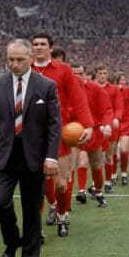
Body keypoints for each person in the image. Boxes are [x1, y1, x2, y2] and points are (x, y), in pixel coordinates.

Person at [0, 39, 61, 257]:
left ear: (30, 59)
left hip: (34, 158)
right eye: (10, 60)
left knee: (31, 209)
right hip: (4, 156)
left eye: (19, 60)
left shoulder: (46, 86)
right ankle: (12, 241)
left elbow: (54, 125)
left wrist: (51, 157)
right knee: (0, 202)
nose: (13, 64)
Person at [31, 32, 93, 238]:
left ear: (50, 47)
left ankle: (63, 215)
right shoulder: (25, 69)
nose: (38, 47)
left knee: (60, 182)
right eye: (35, 44)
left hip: (59, 131)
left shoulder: (64, 70)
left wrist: (88, 125)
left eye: (42, 44)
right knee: (36, 183)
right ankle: (36, 228)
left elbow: (78, 98)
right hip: (32, 134)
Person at [71, 63, 112, 207]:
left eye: (80, 73)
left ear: (85, 74)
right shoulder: (65, 90)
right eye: (74, 73)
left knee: (96, 166)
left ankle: (99, 192)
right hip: (74, 132)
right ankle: (80, 191)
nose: (77, 76)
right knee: (78, 163)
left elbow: (107, 109)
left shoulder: (95, 89)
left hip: (94, 131)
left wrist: (107, 124)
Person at [94, 64, 123, 193]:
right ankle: (96, 184)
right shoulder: (90, 87)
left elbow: (119, 107)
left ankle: (108, 182)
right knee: (97, 158)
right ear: (95, 74)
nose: (102, 75)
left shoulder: (114, 90)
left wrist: (116, 118)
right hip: (95, 126)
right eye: (100, 73)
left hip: (110, 125)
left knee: (109, 155)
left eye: (104, 73)